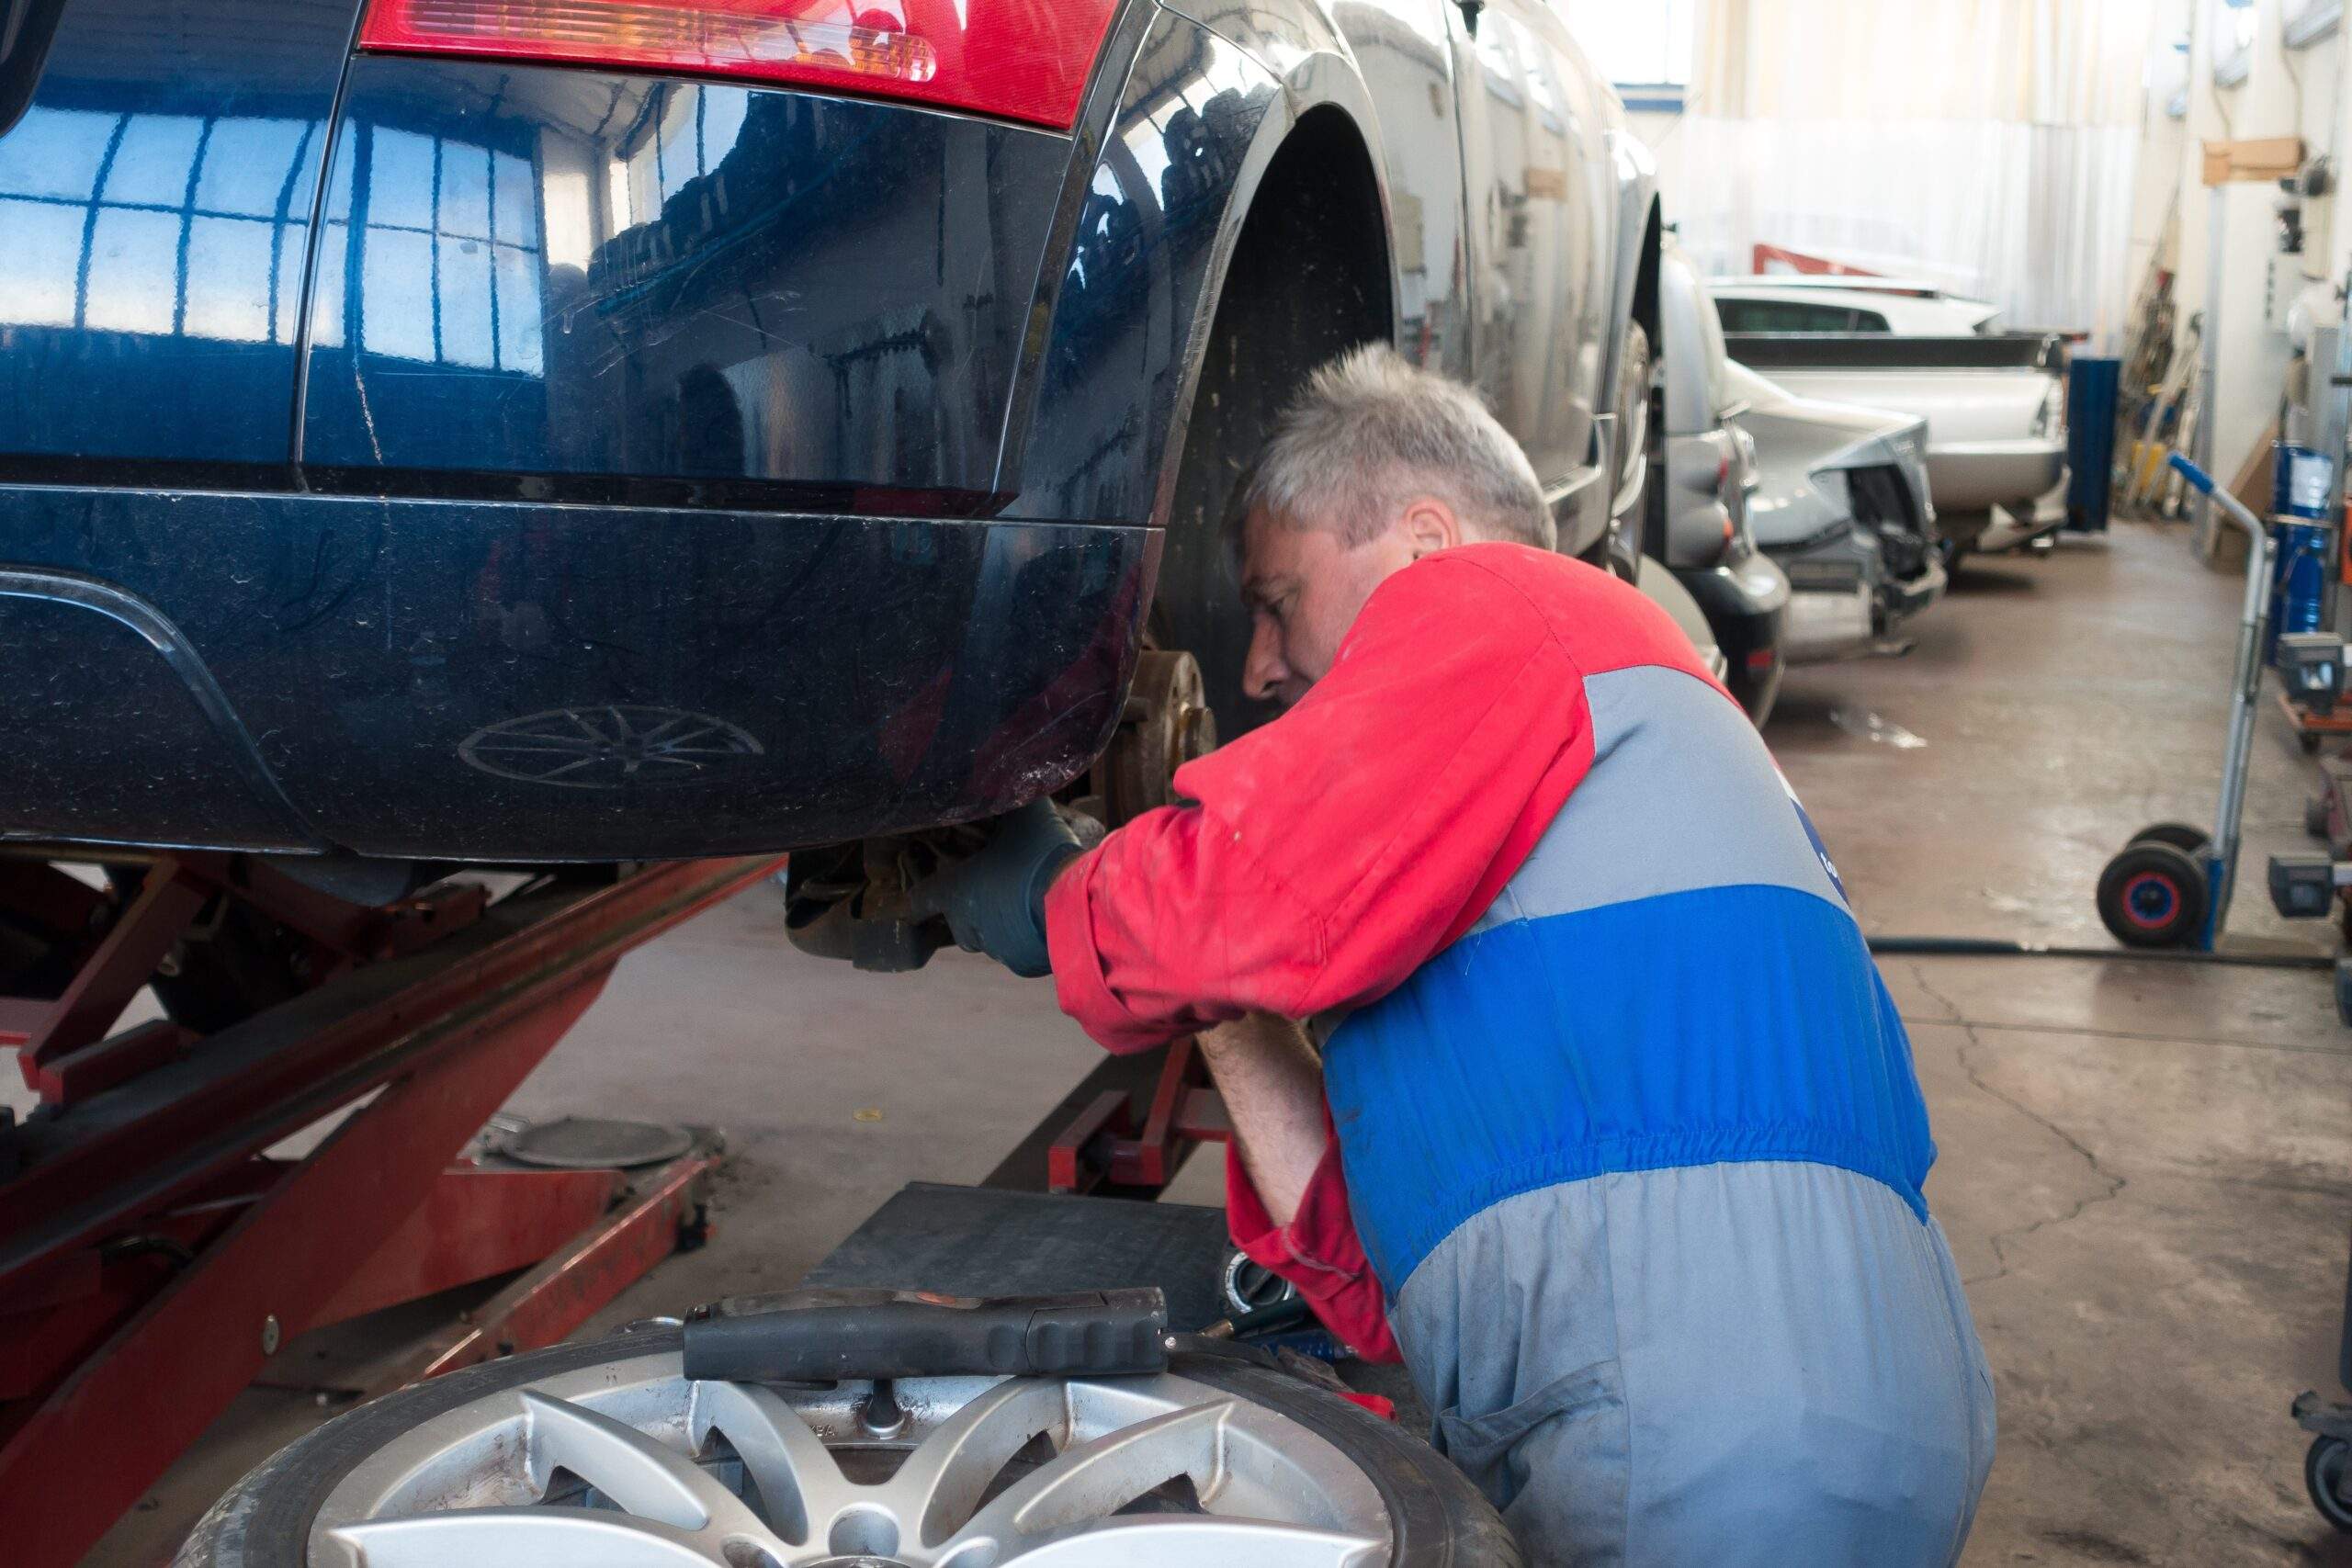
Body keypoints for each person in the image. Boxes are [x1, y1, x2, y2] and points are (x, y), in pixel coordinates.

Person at [912, 344, 1995, 1565]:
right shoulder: (1607, 742)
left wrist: (1056, 890)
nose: (1261, 668)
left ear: (1422, 541)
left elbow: (1240, 900)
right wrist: (1215, 1000)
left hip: (1709, 1432)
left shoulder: (1514, 604)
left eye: (1278, 601)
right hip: (1812, 1418)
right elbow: (1383, 1281)